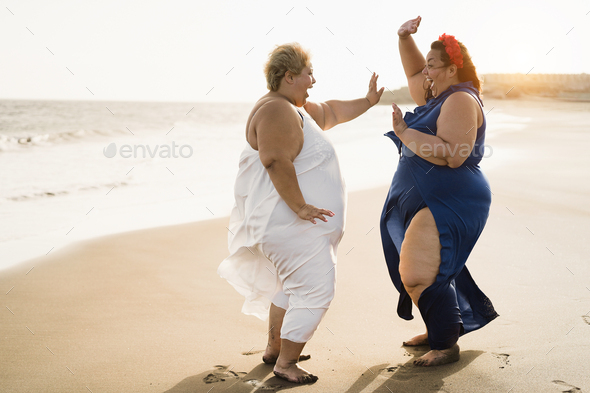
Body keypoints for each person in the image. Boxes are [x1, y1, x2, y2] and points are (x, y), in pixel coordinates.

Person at [218, 42, 384, 383]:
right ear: (289, 76)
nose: (313, 80)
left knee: (292, 289)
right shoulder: (277, 110)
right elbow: (275, 159)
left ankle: (275, 349)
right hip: (292, 225)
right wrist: (301, 206)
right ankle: (286, 365)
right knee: (316, 290)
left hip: (293, 229)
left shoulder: (292, 107)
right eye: (309, 73)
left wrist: (367, 102)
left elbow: (333, 112)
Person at [380, 16, 499, 367]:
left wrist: (404, 133)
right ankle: (439, 328)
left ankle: (446, 343)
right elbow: (415, 73)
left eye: (433, 66)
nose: (426, 73)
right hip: (425, 195)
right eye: (427, 67)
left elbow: (452, 154)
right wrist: (403, 38)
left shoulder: (461, 100)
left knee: (417, 273)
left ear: (451, 70)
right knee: (425, 270)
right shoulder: (438, 96)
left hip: (451, 196)